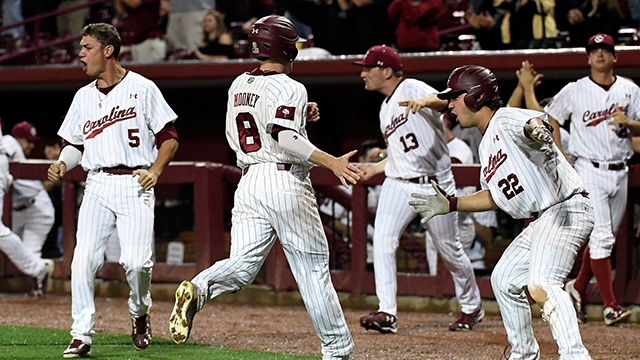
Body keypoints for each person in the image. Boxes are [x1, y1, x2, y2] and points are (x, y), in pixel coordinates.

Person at [168, 15, 356, 360]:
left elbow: (261, 124)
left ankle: (199, 287)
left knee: (241, 266)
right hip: (283, 180)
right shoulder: (290, 86)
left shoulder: (238, 83)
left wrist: (300, 117)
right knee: (313, 269)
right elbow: (284, 136)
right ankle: (337, 350)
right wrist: (331, 161)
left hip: (250, 179)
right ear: (284, 46)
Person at [403, 64, 595, 359]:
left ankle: (575, 356)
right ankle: (523, 353)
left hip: (565, 208)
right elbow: (494, 196)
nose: (450, 104)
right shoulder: (486, 143)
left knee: (543, 283)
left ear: (475, 97)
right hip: (544, 219)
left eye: (455, 96)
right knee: (504, 280)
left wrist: (537, 130)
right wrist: (452, 204)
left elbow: (532, 124)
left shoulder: (504, 119)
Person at [46, 22, 179, 357]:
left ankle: (139, 312)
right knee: (82, 261)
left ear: (108, 50)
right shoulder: (82, 97)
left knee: (136, 264)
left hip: (134, 183)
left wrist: (155, 170)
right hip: (98, 184)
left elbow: (169, 138)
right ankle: (81, 334)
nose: (80, 54)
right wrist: (64, 162)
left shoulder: (143, 88)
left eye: (87, 47)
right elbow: (75, 143)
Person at [352, 45, 483, 334]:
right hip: (399, 183)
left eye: (367, 68)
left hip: (433, 183)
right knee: (383, 241)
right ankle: (387, 311)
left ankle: (472, 306)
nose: (362, 73)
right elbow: (398, 154)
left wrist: (425, 102)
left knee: (449, 249)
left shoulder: (411, 86)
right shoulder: (385, 109)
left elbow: (446, 100)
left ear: (386, 70)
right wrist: (375, 168)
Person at [544, 33, 640, 326]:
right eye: (594, 50)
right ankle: (610, 306)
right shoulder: (575, 90)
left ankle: (577, 288)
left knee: (604, 237)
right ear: (587, 57)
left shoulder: (630, 90)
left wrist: (630, 123)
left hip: (620, 169)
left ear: (614, 56)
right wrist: (561, 153)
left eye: (605, 50)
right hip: (588, 169)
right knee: (601, 237)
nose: (599, 54)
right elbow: (551, 117)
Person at [0, 118, 54, 298]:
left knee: (30, 252)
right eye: (28, 141)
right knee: (18, 251)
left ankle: (38, 283)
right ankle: (39, 272)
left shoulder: (9, 147)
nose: (31, 145)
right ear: (18, 138)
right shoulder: (10, 141)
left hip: (37, 209)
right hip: (19, 210)